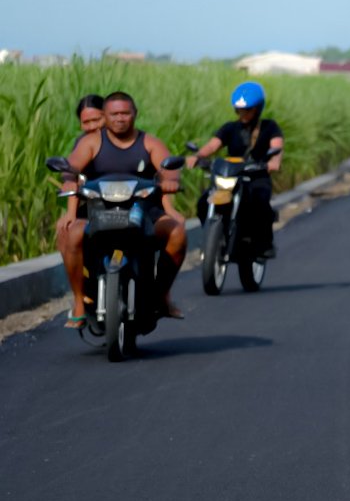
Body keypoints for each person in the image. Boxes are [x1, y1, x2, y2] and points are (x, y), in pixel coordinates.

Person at [62, 91, 188, 322]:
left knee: (177, 233)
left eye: (125, 113)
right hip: (97, 210)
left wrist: (171, 180)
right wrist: (69, 178)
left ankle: (161, 296)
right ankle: (79, 301)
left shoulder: (149, 142)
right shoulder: (92, 142)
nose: (120, 118)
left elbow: (168, 166)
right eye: (114, 114)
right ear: (105, 116)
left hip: (144, 211)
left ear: (135, 114)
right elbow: (73, 166)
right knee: (72, 234)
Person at [188, 81, 283, 258]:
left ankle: (264, 243)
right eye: (240, 110)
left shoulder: (269, 127)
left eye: (248, 110)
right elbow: (213, 145)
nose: (244, 114)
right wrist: (198, 156)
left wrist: (273, 162)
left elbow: (277, 146)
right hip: (232, 175)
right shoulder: (230, 128)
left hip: (256, 175)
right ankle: (212, 236)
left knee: (260, 201)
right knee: (203, 202)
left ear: (258, 109)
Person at [56, 95, 107, 327]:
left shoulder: (126, 140)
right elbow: (72, 177)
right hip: (91, 205)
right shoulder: (83, 144)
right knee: (66, 232)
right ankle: (78, 297)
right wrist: (70, 215)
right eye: (86, 122)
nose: (92, 126)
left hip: (128, 204)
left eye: (97, 120)